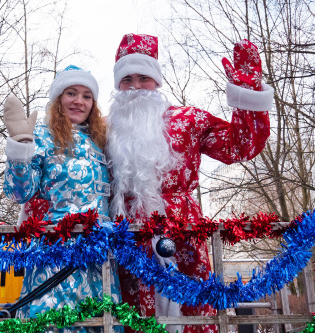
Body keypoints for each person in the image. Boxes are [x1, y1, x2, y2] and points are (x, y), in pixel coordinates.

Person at [106, 34, 273, 333]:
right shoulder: (103, 129)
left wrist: (247, 93)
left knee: (191, 314)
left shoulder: (189, 120)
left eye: (143, 78)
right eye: (126, 79)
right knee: (130, 319)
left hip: (183, 234)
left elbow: (241, 145)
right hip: (127, 240)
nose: (135, 87)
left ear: (156, 81)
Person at [3, 65, 121, 333]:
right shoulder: (42, 137)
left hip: (98, 255)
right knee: (54, 324)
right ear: (58, 100)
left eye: (87, 95)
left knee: (99, 324)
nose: (79, 101)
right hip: (55, 251)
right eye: (71, 93)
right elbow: (19, 192)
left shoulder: (100, 140)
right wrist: (21, 146)